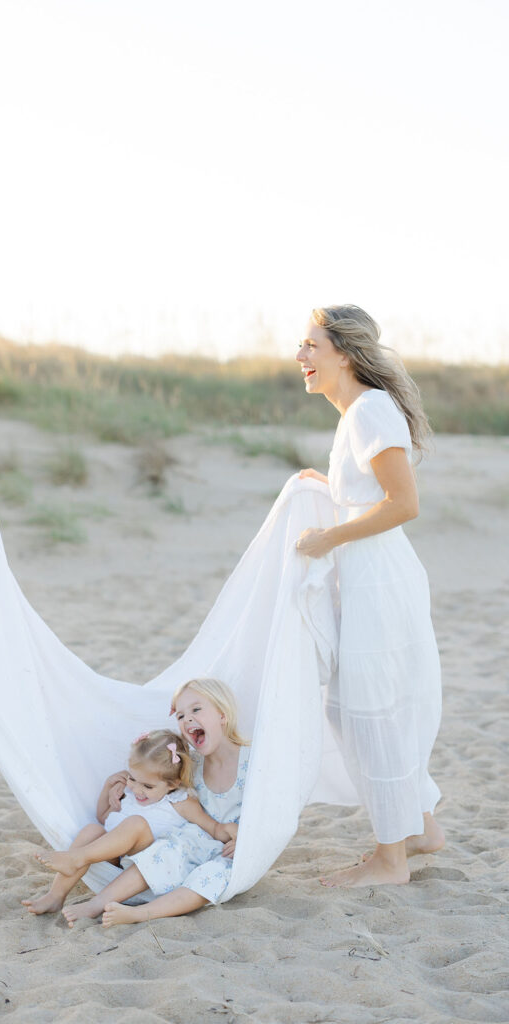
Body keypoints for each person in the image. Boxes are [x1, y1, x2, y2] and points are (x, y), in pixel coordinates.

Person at [294, 303, 444, 887]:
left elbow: (404, 504)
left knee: (365, 710)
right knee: (365, 705)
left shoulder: (370, 411)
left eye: (311, 345)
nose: (300, 356)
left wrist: (331, 532)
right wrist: (327, 491)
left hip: (379, 581)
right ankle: (421, 827)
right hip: (366, 578)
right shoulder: (357, 413)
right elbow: (368, 492)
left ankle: (389, 859)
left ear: (345, 354)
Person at [61, 677, 249, 927]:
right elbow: (152, 780)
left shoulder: (253, 762)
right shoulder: (189, 763)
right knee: (162, 853)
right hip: (185, 842)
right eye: (180, 716)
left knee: (213, 875)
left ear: (223, 714)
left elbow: (270, 812)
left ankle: (141, 913)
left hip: (227, 850)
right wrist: (118, 786)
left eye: (196, 709)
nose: (187, 719)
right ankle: (95, 905)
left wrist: (248, 842)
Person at [23, 728, 238, 916]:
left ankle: (76, 858)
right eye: (133, 779)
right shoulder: (128, 792)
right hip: (113, 861)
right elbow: (105, 819)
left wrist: (230, 830)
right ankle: (55, 895)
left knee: (137, 824)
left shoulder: (179, 800)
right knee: (91, 829)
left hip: (145, 866)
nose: (137, 789)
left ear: (172, 784)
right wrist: (108, 788)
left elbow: (212, 827)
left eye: (147, 786)